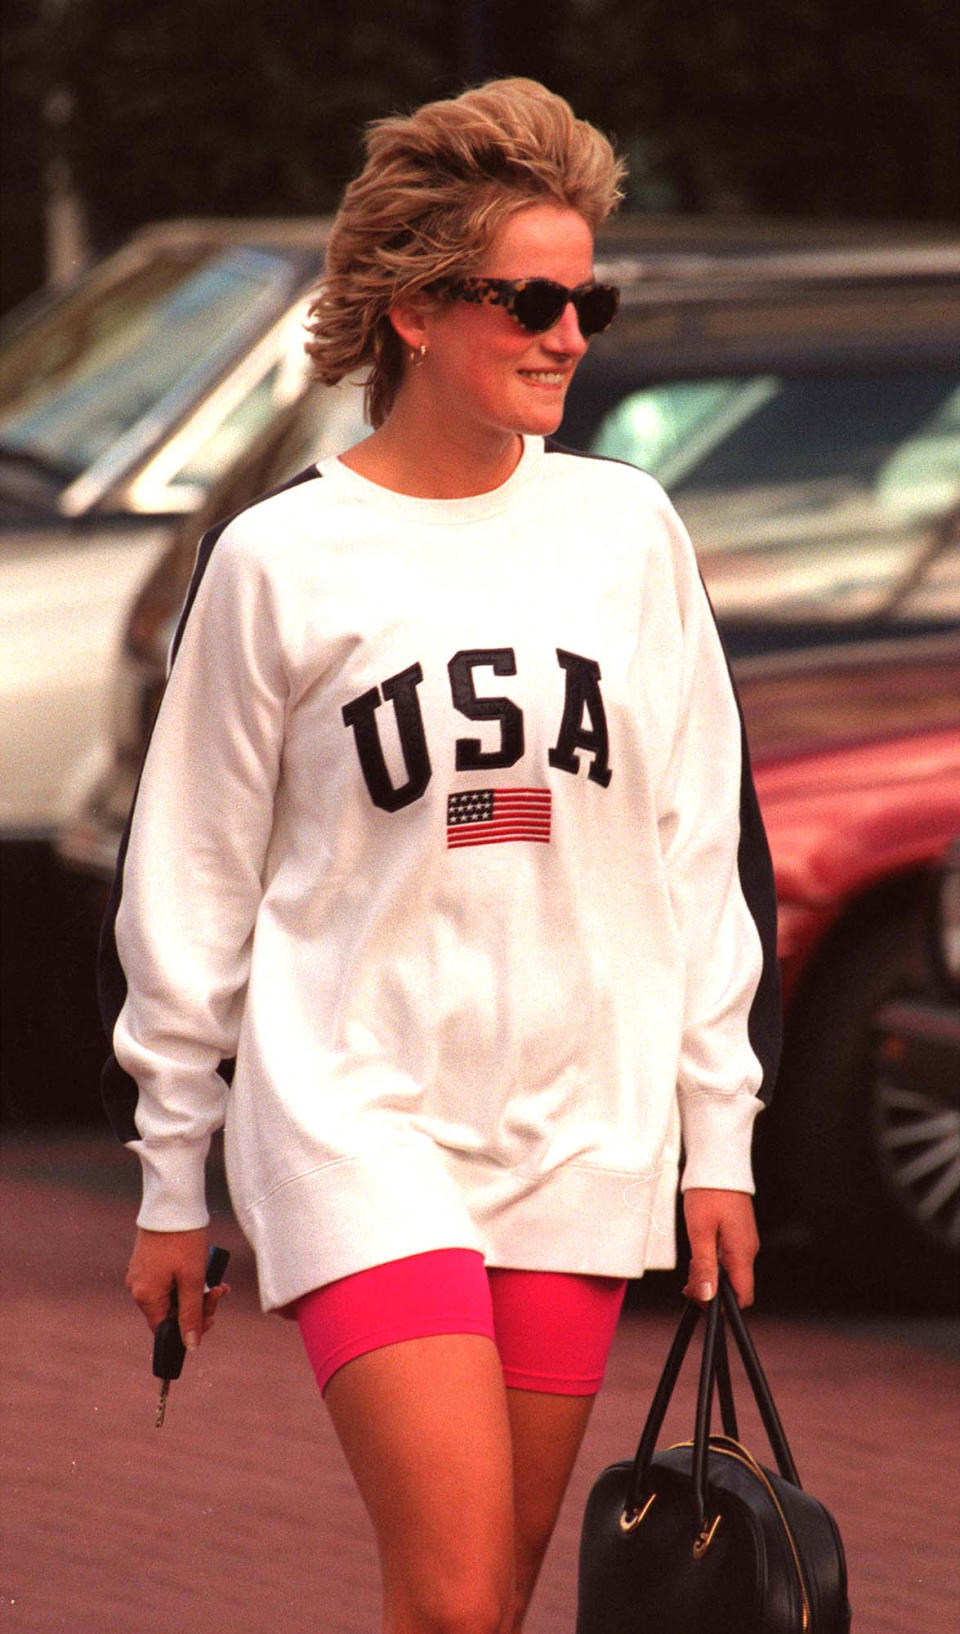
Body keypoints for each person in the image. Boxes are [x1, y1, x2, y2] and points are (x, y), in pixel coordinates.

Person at [100, 78, 781, 1634]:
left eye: (587, 297)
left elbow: (695, 852)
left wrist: (717, 1132)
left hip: (578, 1126)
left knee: (475, 1597)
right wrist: (170, 1171)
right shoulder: (281, 558)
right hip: (358, 1116)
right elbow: (191, 877)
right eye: (530, 298)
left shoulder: (629, 531)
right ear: (412, 312)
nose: (568, 334)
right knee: (469, 1590)